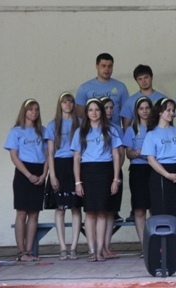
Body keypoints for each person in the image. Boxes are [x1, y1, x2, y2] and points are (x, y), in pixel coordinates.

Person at [71, 98, 122, 262]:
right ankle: (91, 250)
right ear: (86, 113)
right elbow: (76, 158)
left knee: (102, 211)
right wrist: (78, 182)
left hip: (105, 172)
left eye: (97, 109)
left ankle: (100, 250)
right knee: (90, 212)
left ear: (102, 112)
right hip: (87, 172)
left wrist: (115, 179)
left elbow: (116, 155)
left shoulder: (111, 130)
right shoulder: (80, 131)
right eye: (91, 110)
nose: (94, 113)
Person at [4, 99, 47, 262]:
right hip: (24, 172)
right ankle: (21, 252)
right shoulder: (16, 131)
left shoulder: (42, 131)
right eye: (30, 109)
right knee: (22, 212)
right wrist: (28, 175)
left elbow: (48, 155)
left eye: (36, 109)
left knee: (34, 213)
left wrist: (44, 174)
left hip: (39, 171)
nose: (34, 112)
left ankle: (29, 251)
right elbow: (14, 156)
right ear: (24, 111)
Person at [44, 92, 82, 261]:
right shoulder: (53, 125)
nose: (68, 104)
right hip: (59, 166)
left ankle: (74, 247)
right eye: (64, 102)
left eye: (70, 101)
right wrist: (52, 175)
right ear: (60, 105)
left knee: (76, 207)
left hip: (75, 165)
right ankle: (62, 248)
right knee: (60, 208)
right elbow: (50, 153)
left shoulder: (79, 123)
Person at [141, 98, 176, 219]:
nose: (172, 113)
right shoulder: (151, 134)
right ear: (160, 112)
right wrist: (167, 175)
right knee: (162, 212)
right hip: (161, 173)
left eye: (173, 110)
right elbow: (151, 160)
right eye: (168, 110)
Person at [122, 96, 152, 250]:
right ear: (137, 111)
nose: (145, 111)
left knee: (154, 208)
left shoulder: (157, 128)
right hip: (138, 170)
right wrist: (137, 152)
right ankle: (144, 245)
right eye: (141, 108)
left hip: (155, 169)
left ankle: (156, 243)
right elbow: (128, 154)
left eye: (147, 108)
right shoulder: (131, 129)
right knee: (139, 209)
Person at [99, 96, 124, 259]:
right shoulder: (92, 128)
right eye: (106, 107)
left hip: (114, 172)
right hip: (100, 172)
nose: (109, 111)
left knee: (110, 212)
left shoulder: (116, 128)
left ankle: (106, 247)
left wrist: (116, 173)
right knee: (99, 211)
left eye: (111, 108)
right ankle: (98, 247)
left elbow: (120, 154)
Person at [75, 53, 129, 125]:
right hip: (92, 130)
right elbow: (80, 114)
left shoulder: (121, 87)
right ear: (97, 66)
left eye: (110, 66)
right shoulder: (84, 88)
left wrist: (125, 130)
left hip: (115, 129)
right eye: (103, 66)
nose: (107, 69)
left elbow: (126, 113)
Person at [120, 65, 167, 129]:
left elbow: (169, 122)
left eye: (146, 77)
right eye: (140, 79)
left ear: (151, 77)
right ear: (136, 81)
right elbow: (126, 127)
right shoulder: (130, 101)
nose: (143, 81)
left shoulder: (163, 99)